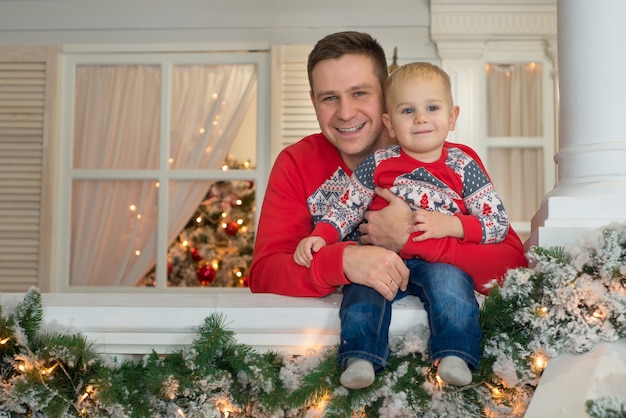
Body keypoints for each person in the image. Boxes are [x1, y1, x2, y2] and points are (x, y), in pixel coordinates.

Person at [293, 61, 527, 388]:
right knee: (362, 292)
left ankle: (456, 354)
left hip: (439, 262)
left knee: (453, 290)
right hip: (383, 259)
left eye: (432, 107)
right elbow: (346, 208)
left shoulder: (462, 164)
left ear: (452, 117)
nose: (420, 118)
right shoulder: (378, 163)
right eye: (407, 111)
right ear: (389, 123)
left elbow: (497, 224)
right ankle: (360, 357)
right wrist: (320, 235)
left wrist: (452, 226)